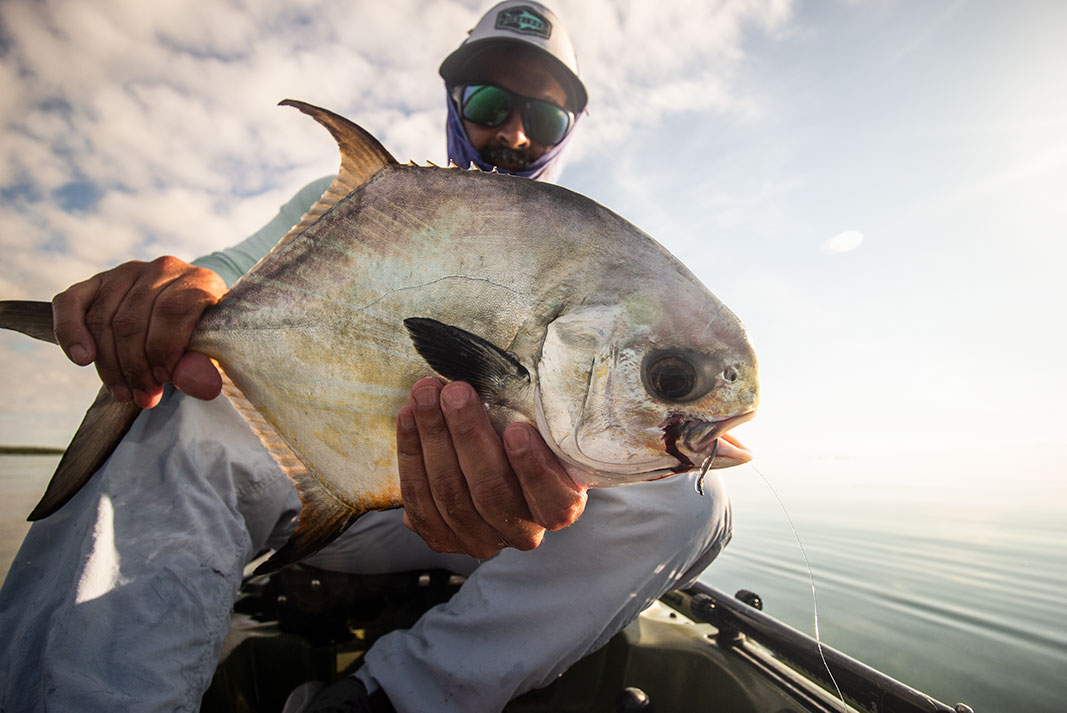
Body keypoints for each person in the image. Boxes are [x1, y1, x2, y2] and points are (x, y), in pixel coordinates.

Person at [0, 3, 735, 713]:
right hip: (334, 497)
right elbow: (224, 274)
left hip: (515, 520)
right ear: (454, 101)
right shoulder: (360, 203)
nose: (513, 132)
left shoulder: (593, 262)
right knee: (173, 410)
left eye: (540, 118)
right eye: (488, 102)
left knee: (691, 500)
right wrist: (172, 301)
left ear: (565, 132)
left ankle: (390, 697)